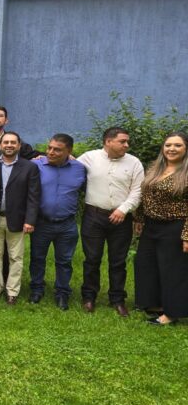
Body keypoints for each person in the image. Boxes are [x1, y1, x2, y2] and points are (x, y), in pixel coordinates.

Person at [77, 127, 143, 316]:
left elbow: (138, 190)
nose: (126, 145)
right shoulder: (89, 158)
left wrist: (123, 209)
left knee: (118, 261)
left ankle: (117, 299)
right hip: (93, 216)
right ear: (108, 141)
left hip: (122, 218)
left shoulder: (134, 162)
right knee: (92, 259)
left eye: (127, 141)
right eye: (122, 141)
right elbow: (67, 164)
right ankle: (89, 297)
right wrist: (39, 158)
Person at [134, 132, 188, 326]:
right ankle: (155, 304)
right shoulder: (155, 167)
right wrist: (139, 218)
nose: (171, 149)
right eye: (168, 145)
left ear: (186, 149)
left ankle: (172, 313)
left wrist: (187, 235)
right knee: (146, 264)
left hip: (175, 226)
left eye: (177, 145)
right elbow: (145, 195)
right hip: (151, 225)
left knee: (172, 270)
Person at [29, 134, 86, 310]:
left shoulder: (79, 169)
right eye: (49, 148)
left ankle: (62, 293)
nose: (51, 152)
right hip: (42, 222)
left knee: (64, 260)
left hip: (67, 224)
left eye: (57, 150)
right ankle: (37, 289)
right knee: (37, 258)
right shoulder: (36, 165)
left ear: (69, 151)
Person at [0, 132, 41, 304]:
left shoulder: (29, 167)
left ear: (19, 146)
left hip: (17, 219)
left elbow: (33, 196)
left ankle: (12, 291)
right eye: (6, 142)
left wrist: (30, 220)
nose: (9, 145)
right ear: (0, 145)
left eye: (13, 142)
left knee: (15, 257)